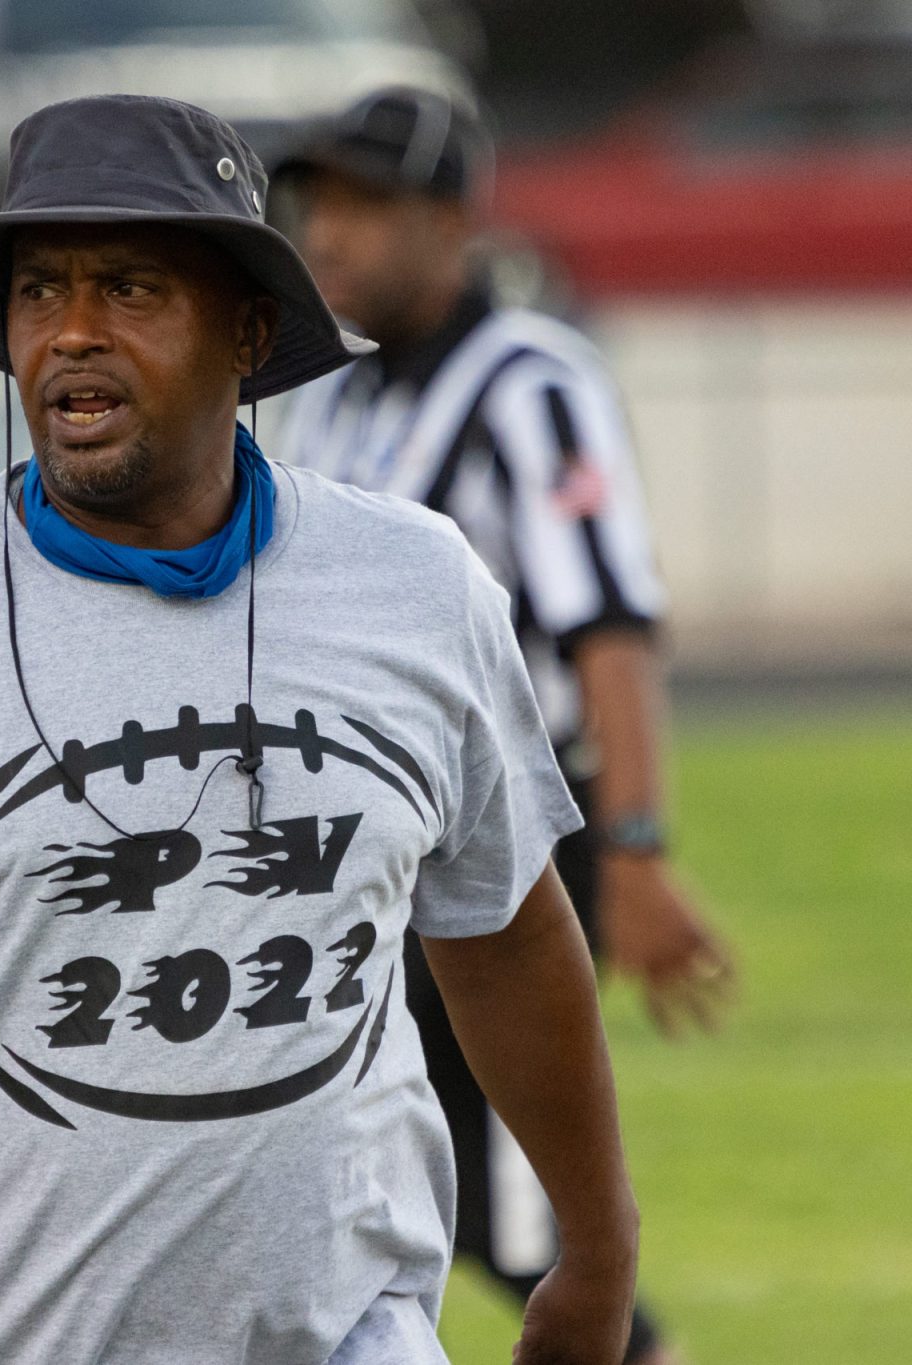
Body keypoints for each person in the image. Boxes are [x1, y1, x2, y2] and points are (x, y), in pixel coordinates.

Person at [0, 95, 642, 1365]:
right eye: (40, 292)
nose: (72, 333)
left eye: (132, 288)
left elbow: (506, 932)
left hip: (346, 1335)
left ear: (249, 334)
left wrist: (594, 1254)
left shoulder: (417, 588)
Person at [272, 86, 733, 1365]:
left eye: (366, 207)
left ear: (450, 222)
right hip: (367, 835)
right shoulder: (339, 397)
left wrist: (633, 850)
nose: (330, 237)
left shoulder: (530, 381)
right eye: (319, 206)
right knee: (356, 1151)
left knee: (491, 1188)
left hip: (510, 833)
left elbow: (608, 627)